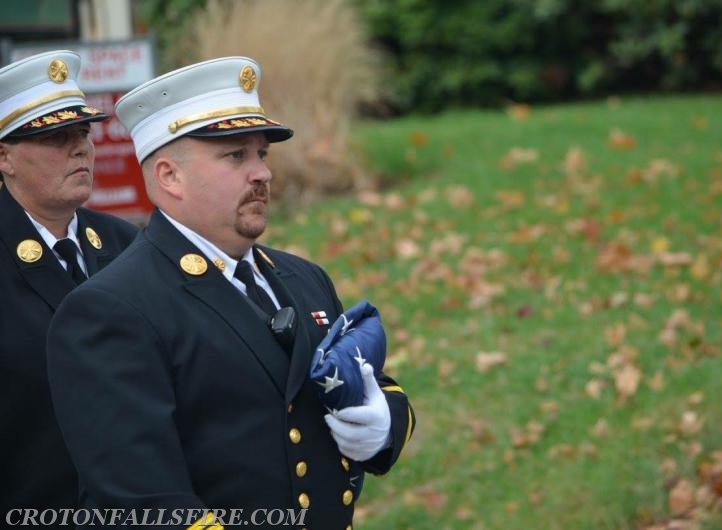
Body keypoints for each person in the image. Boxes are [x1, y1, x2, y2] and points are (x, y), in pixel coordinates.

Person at [47, 56, 414, 529]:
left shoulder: (304, 279)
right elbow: (145, 503)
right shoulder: (113, 310)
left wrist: (384, 422)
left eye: (262, 154)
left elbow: (365, 383)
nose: (261, 173)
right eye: (235, 156)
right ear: (168, 177)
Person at [0, 50, 138, 523]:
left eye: (84, 133)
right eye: (57, 137)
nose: (81, 148)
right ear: (5, 158)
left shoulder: (126, 244)